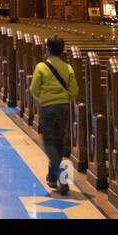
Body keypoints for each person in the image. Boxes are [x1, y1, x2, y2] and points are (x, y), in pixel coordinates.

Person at [29, 36, 79, 194]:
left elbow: (34, 89)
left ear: (47, 49)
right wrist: (64, 99)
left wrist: (43, 99)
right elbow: (74, 91)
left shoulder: (41, 67)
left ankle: (61, 176)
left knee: (48, 141)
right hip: (63, 107)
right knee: (58, 141)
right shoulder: (68, 68)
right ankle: (52, 177)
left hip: (48, 107)